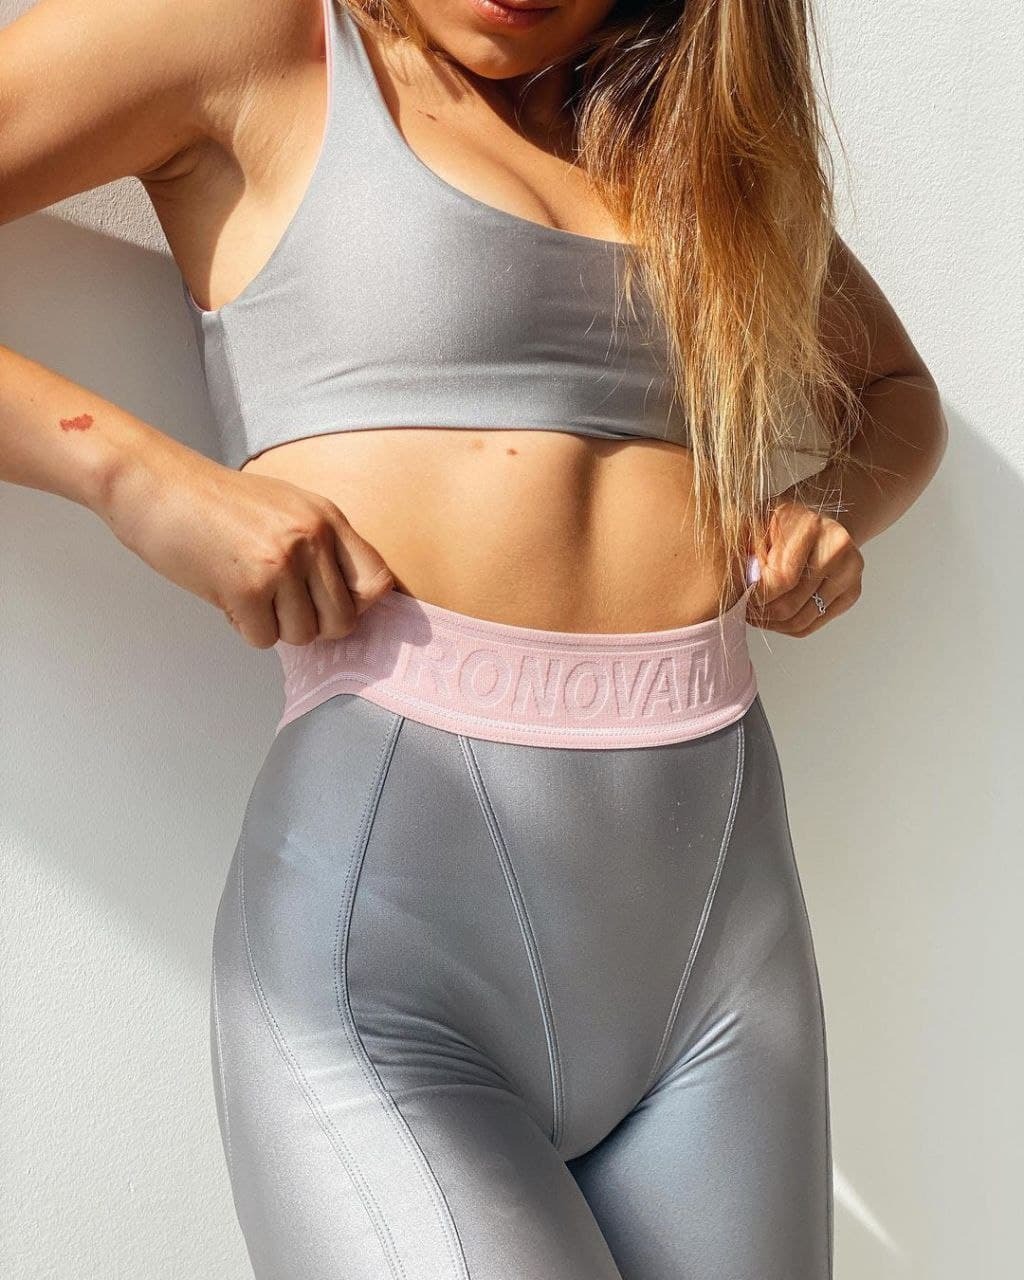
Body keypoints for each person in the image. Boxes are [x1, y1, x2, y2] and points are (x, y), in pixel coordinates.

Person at [0, 0, 947, 1276]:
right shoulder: (248, 38)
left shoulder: (674, 136)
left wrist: (826, 510)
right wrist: (133, 476)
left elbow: (895, 394)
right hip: (388, 969)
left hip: (726, 951)